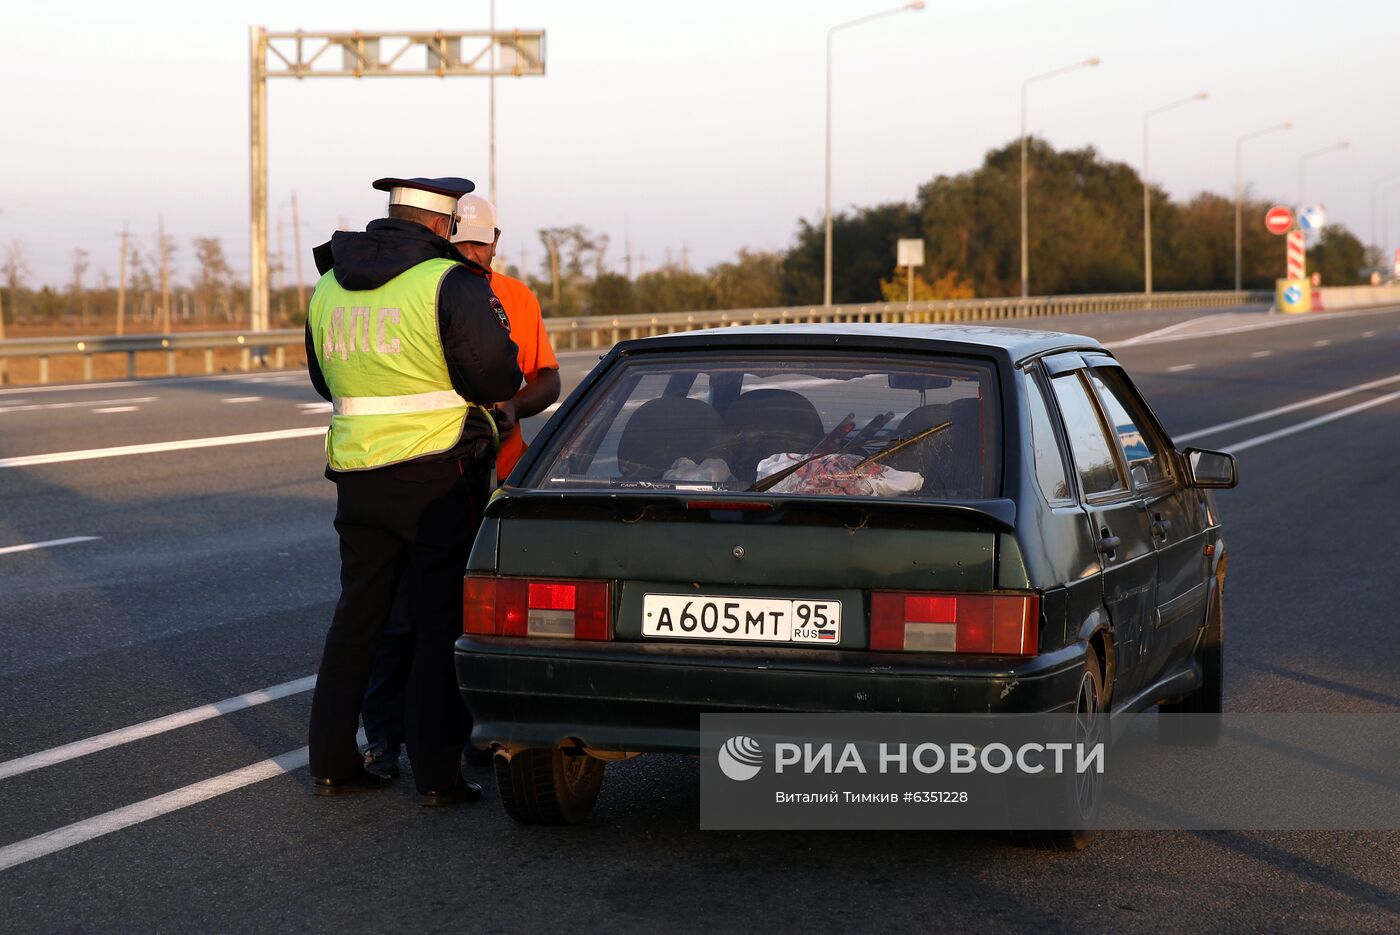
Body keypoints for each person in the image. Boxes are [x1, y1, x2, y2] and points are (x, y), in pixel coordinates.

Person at [304, 176, 522, 806]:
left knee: (357, 617)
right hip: (436, 472)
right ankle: (437, 774)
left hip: (356, 471)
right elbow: (497, 375)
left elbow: (323, 379)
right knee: (437, 621)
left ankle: (332, 762)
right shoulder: (447, 281)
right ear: (442, 224)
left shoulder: (329, 283)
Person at [360, 193, 561, 779]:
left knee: (478, 616)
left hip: (497, 476)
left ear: (496, 242)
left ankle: (471, 735)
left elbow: (547, 380)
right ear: (444, 239)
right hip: (432, 472)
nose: (474, 254)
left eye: (481, 243)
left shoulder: (515, 296)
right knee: (404, 615)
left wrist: (514, 408)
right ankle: (386, 739)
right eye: (463, 243)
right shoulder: (429, 290)